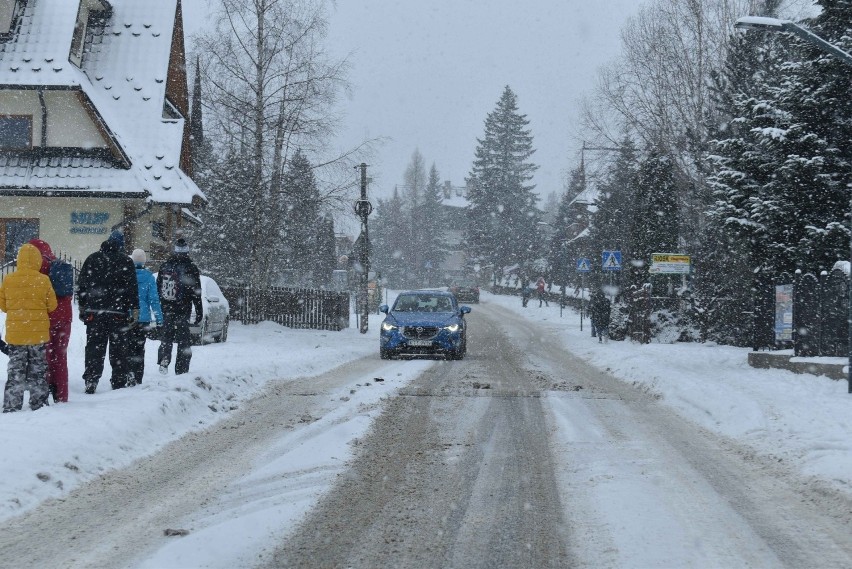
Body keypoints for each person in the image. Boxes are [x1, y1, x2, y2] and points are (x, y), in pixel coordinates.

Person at [77, 230, 139, 393]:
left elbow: (82, 286)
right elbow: (132, 289)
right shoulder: (126, 261)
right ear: (120, 245)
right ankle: (118, 381)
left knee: (94, 348)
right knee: (118, 349)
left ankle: (91, 379)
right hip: (118, 313)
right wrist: (134, 309)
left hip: (94, 312)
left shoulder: (92, 259)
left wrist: (83, 307)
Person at [0, 243, 57, 412]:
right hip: (37, 336)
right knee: (38, 371)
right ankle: (38, 404)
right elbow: (52, 305)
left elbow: (3, 305)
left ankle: (11, 405)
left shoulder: (9, 279)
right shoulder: (43, 280)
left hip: (17, 336)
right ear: (38, 261)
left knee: (15, 372)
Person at [28, 238, 74, 403]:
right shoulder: (60, 265)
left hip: (46, 317)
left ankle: (45, 392)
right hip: (65, 317)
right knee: (60, 356)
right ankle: (62, 394)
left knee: (45, 355)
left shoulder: (37, 267)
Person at [157, 237, 202, 376]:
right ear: (187, 252)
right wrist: (199, 311)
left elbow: (158, 287)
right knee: (183, 338)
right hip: (184, 307)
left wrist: (161, 305)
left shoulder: (165, 266)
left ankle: (164, 357)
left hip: (167, 307)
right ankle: (182, 368)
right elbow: (196, 292)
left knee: (167, 335)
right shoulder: (191, 268)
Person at [128, 249, 163, 385]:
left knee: (127, 347)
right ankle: (137, 377)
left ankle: (128, 372)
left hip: (128, 317)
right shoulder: (149, 277)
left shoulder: (127, 275)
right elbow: (154, 300)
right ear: (144, 261)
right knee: (139, 348)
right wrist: (159, 318)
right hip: (143, 319)